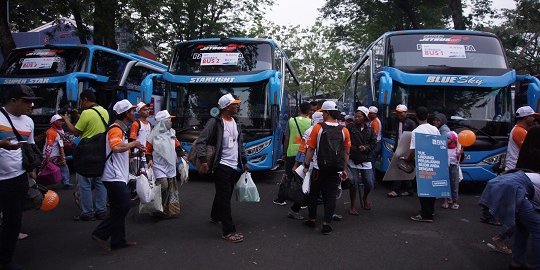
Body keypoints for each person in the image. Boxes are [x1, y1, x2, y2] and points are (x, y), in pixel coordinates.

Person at [479, 125, 540, 270]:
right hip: (513, 188)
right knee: (538, 229)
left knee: (522, 227)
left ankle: (516, 262)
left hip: (507, 183)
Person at [195, 93, 249, 243]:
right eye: (234, 105)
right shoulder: (215, 122)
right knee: (225, 198)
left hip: (234, 165)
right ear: (226, 107)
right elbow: (201, 141)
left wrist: (244, 161)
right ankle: (228, 231)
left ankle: (215, 215)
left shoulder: (235, 122)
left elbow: (240, 144)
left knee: (224, 193)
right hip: (222, 165)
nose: (237, 106)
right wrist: (203, 160)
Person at [92, 99, 144, 252]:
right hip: (113, 176)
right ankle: (99, 233)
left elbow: (121, 151)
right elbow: (115, 148)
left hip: (119, 174)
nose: (134, 113)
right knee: (124, 205)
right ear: (125, 114)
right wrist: (133, 144)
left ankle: (118, 240)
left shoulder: (122, 129)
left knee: (118, 208)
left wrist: (134, 151)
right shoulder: (115, 129)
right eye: (131, 111)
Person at [0, 84, 40, 270]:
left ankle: (6, 260)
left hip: (17, 178)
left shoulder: (28, 122)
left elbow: (29, 147)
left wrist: (32, 172)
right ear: (13, 100)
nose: (30, 105)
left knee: (13, 220)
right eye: (26, 101)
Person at [302, 101, 351, 235]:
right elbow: (346, 152)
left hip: (319, 168)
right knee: (330, 196)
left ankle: (312, 220)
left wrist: (306, 165)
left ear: (327, 113)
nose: (322, 114)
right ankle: (326, 224)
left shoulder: (318, 128)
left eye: (323, 112)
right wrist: (344, 169)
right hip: (335, 169)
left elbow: (311, 149)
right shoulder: (344, 130)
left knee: (314, 194)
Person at [63, 90, 109, 221]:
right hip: (101, 151)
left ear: (85, 99)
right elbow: (91, 125)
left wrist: (66, 120)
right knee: (100, 182)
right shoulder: (104, 111)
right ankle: (101, 210)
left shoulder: (86, 113)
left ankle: (87, 213)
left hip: (86, 152)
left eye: (81, 101)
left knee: (85, 183)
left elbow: (76, 132)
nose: (81, 104)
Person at [146, 110, 185, 218]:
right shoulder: (153, 135)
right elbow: (148, 150)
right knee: (163, 185)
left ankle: (162, 209)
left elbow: (177, 146)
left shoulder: (172, 133)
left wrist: (183, 155)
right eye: (169, 120)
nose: (171, 122)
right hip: (158, 165)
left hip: (170, 165)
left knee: (169, 189)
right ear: (163, 122)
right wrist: (149, 159)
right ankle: (154, 206)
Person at [405, 106, 441, 222]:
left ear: (416, 117)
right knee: (432, 188)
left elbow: (413, 150)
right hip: (434, 162)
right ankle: (430, 210)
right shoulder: (434, 129)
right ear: (428, 116)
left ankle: (426, 215)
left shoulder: (416, 131)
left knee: (423, 189)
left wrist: (407, 159)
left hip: (422, 163)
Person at [274, 102, 312, 207]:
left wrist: (284, 152)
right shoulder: (311, 122)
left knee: (288, 176)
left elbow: (286, 138)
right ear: (309, 111)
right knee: (302, 177)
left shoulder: (291, 121)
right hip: (304, 153)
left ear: (299, 109)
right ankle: (301, 201)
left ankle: (281, 199)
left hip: (291, 152)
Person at [347, 106, 376, 215]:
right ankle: (353, 205)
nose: (357, 118)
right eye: (356, 116)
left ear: (365, 117)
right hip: (353, 159)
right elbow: (346, 142)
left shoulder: (370, 130)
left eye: (359, 116)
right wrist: (354, 149)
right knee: (353, 183)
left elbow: (373, 143)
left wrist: (366, 148)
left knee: (369, 183)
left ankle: (364, 198)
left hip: (366, 159)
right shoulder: (350, 128)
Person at [387, 104, 416, 198]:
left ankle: (399, 190)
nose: (398, 114)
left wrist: (411, 152)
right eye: (397, 113)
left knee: (403, 168)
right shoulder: (396, 122)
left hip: (407, 149)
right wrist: (394, 149)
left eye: (401, 113)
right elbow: (397, 137)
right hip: (398, 148)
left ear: (405, 113)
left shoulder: (411, 123)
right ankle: (407, 189)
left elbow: (413, 138)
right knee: (399, 168)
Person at [505, 106, 539, 171]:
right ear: (527, 118)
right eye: (532, 116)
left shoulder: (520, 130)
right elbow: (530, 151)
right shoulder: (519, 131)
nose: (534, 119)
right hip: (515, 170)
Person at [43, 114, 73, 189]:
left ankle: (66, 182)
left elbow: (61, 143)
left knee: (64, 167)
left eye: (62, 120)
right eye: (59, 120)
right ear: (54, 122)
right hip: (51, 155)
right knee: (45, 169)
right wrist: (47, 157)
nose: (61, 122)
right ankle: (41, 184)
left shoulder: (61, 130)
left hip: (58, 154)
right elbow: (49, 146)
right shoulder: (51, 132)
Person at [129, 102, 152, 175]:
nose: (147, 111)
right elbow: (132, 140)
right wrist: (131, 157)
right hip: (136, 157)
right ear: (139, 112)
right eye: (145, 110)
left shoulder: (149, 124)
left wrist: (150, 158)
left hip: (145, 156)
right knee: (134, 177)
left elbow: (149, 142)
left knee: (144, 178)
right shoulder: (136, 124)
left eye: (148, 109)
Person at [441, 131, 462, 210]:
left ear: (453, 139)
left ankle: (455, 202)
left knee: (454, 184)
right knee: (444, 184)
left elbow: (461, 160)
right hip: (444, 166)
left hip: (453, 167)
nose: (447, 140)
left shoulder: (457, 147)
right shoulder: (443, 146)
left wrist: (460, 154)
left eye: (448, 138)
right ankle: (445, 201)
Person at [368, 106, 382, 176]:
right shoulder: (373, 121)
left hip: (375, 144)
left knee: (371, 163)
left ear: (375, 114)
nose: (369, 114)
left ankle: (372, 181)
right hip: (375, 144)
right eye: (369, 113)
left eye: (371, 113)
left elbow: (374, 135)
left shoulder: (375, 122)